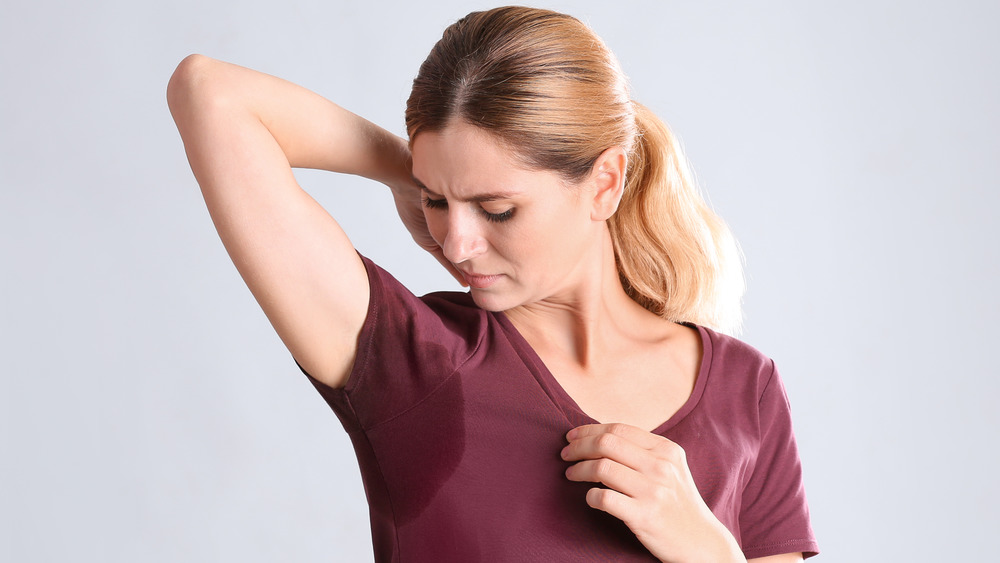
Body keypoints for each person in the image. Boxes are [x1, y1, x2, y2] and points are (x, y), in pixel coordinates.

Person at [167, 6, 818, 562]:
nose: (455, 243)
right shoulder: (414, 363)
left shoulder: (747, 390)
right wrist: (409, 172)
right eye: (438, 204)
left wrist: (707, 547)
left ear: (605, 182)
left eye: (497, 208)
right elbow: (208, 93)